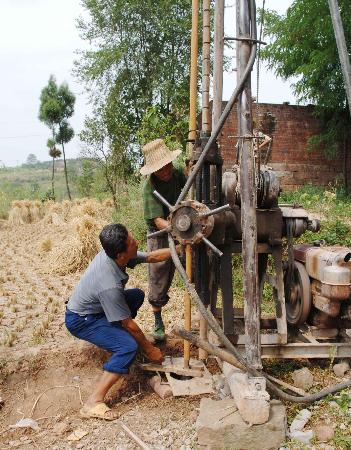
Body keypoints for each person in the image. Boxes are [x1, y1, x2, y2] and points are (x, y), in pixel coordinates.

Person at [65, 223, 174, 420]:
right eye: (132, 242)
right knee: (128, 346)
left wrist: (180, 248)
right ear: (121, 255)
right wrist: (149, 349)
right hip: (82, 320)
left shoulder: (114, 255)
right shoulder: (109, 284)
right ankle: (93, 402)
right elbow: (129, 324)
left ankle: (116, 342)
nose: (136, 242)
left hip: (98, 309)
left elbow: (151, 257)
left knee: (136, 296)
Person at [141, 139, 186, 341]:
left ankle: (204, 316)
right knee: (159, 275)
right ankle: (158, 323)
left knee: (196, 268)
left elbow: (189, 195)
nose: (165, 171)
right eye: (160, 169)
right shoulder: (149, 188)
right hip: (160, 235)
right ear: (153, 170)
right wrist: (175, 227)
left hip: (184, 228)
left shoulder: (178, 175)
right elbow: (157, 220)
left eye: (167, 166)